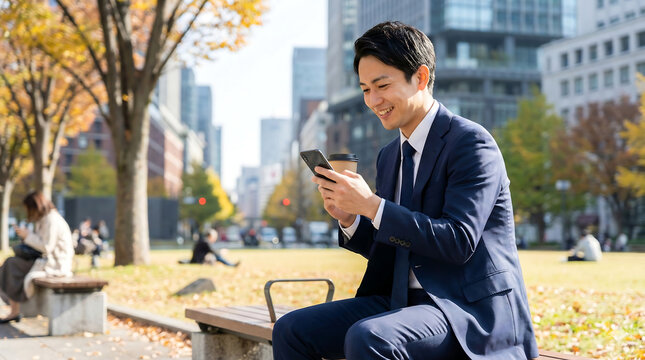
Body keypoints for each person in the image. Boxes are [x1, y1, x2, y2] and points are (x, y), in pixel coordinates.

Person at [272, 22, 538, 360]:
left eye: (382, 85)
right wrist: (351, 218)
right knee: (292, 330)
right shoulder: (389, 155)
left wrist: (373, 206)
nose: (373, 100)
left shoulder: (471, 144)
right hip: (401, 302)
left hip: (464, 311)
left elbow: (458, 241)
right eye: (365, 89)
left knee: (370, 338)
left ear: (421, 77)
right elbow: (395, 246)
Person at [0, 191, 74, 323]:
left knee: (10, 265)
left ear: (35, 206)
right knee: (9, 265)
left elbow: (46, 246)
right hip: (45, 260)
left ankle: (15, 310)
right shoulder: (45, 219)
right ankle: (14, 309)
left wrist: (27, 236)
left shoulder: (51, 219)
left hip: (54, 263)